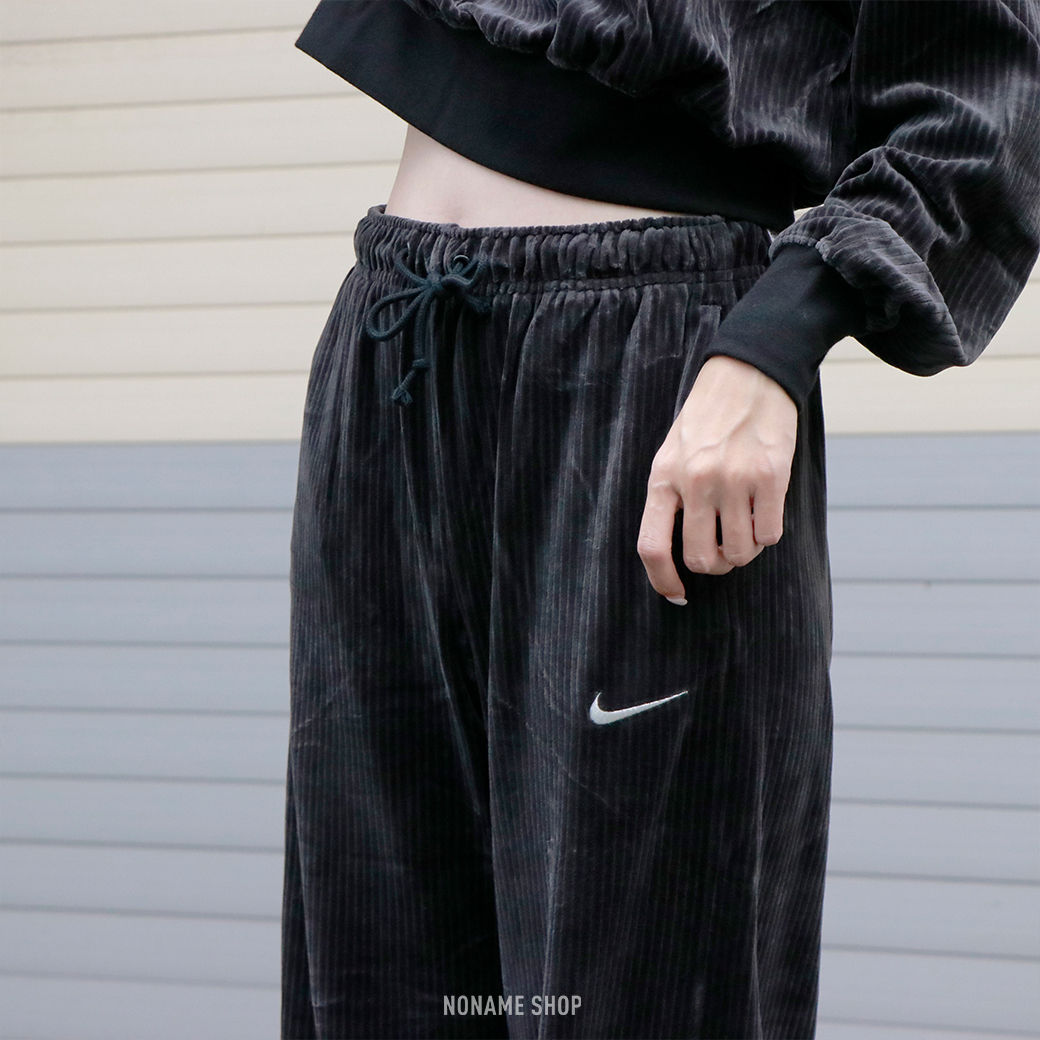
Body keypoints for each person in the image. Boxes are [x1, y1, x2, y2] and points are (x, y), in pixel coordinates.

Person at [280, 2, 1040, 1038]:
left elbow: (985, 102)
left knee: (642, 990)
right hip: (397, 331)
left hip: (654, 365)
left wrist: (777, 339)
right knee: (380, 976)